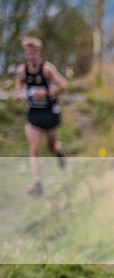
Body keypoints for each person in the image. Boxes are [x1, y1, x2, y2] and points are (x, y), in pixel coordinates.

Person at [14, 36, 68, 195]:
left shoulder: (47, 69)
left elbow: (63, 85)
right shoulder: (22, 70)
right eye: (28, 53)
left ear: (39, 53)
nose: (31, 56)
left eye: (34, 52)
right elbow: (20, 82)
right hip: (34, 114)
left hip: (49, 113)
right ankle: (38, 184)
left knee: (51, 146)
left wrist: (46, 93)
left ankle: (59, 153)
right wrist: (18, 93)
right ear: (26, 54)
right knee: (35, 148)